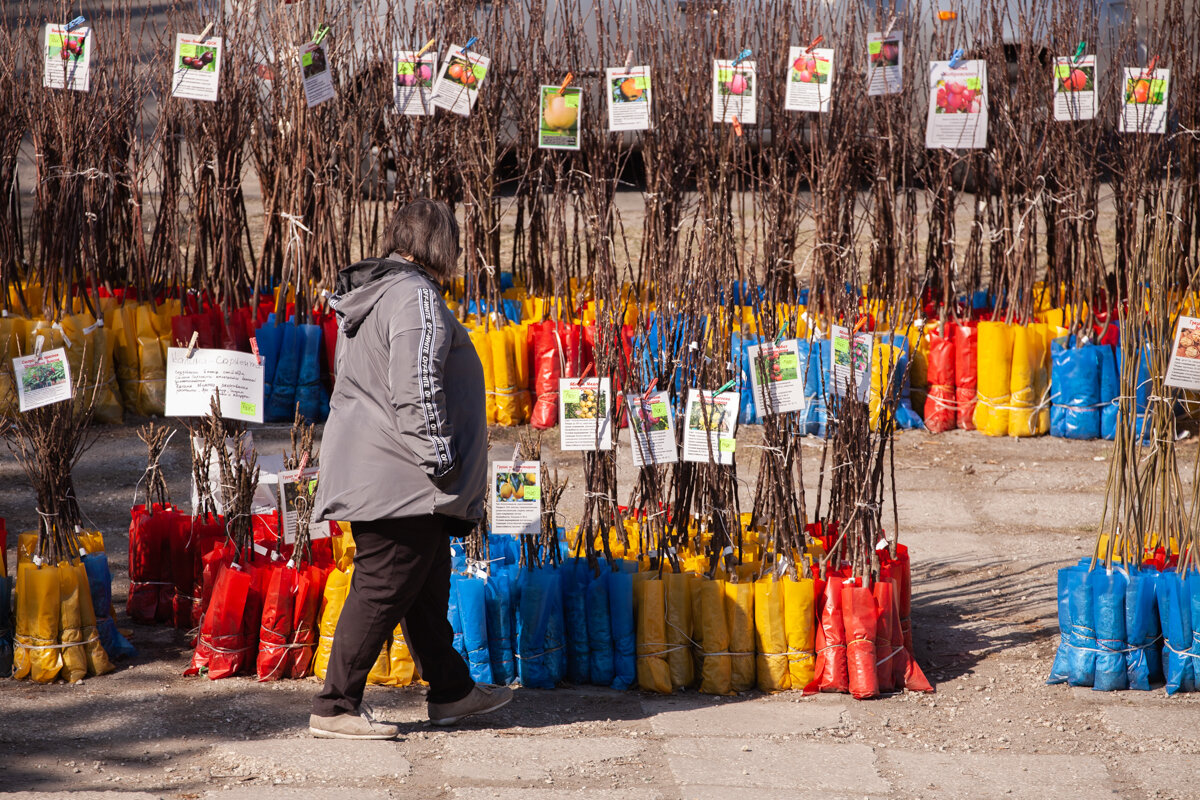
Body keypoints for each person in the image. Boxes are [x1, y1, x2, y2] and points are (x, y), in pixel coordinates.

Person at [309, 198, 511, 739]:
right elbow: (415, 388)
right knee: (382, 584)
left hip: (382, 468)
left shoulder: (377, 293)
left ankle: (452, 692)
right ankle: (336, 707)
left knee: (422, 585)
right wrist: (441, 459)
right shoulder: (415, 298)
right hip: (401, 476)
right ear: (441, 245)